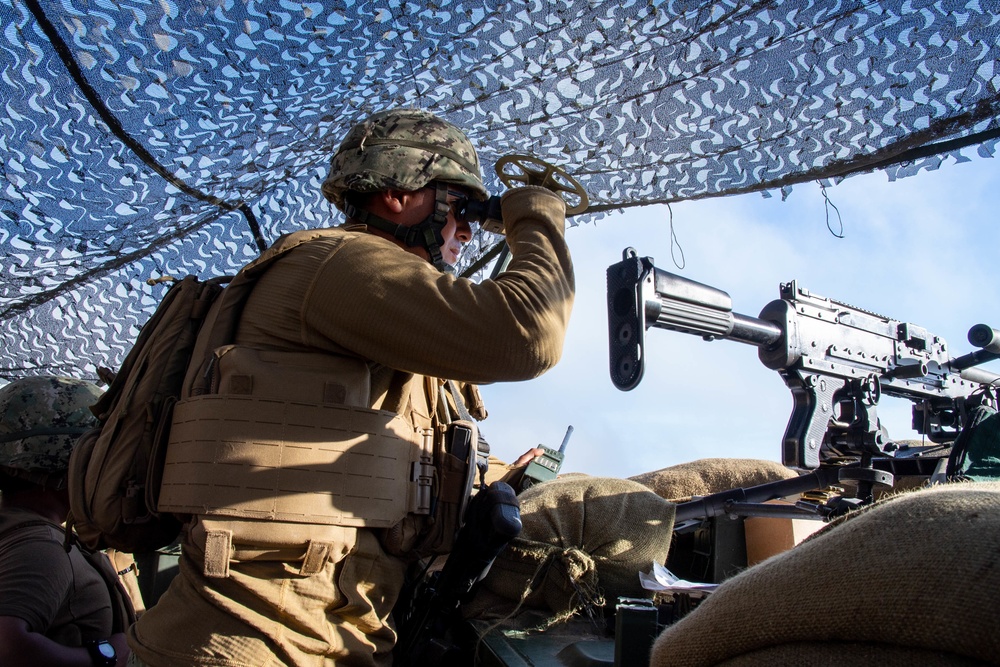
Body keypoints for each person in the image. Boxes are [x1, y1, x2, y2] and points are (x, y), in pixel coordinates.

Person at [127, 107, 575, 666]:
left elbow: (375, 456)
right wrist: (534, 216)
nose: (465, 230)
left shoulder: (380, 313)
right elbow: (529, 332)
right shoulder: (339, 265)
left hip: (323, 638)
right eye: (460, 207)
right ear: (395, 190)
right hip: (254, 643)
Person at [0, 375, 134, 667]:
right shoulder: (43, 548)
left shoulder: (15, 529)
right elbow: (8, 646)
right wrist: (109, 655)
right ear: (69, 461)